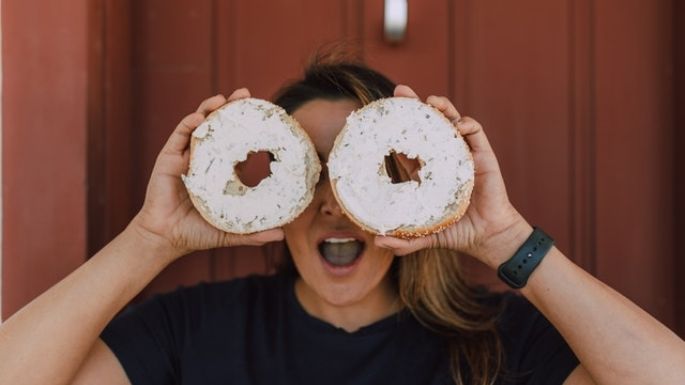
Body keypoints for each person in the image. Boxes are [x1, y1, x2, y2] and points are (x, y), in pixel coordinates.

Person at [1, 56, 684, 385]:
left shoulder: (498, 341)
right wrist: (147, 241)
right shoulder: (195, 330)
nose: (333, 202)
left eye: (358, 171)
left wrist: (506, 237)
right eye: (309, 171)